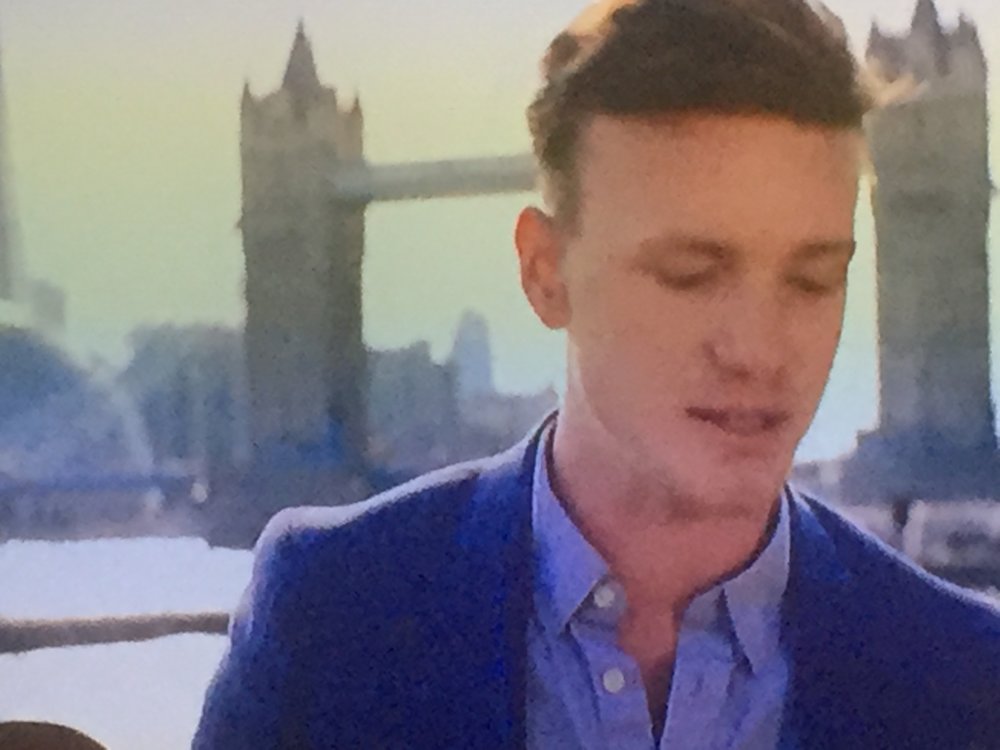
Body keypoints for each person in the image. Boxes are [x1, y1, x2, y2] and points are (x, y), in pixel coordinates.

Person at [194, 0, 1000, 747]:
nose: (758, 348)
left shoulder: (966, 680)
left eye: (813, 280)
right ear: (545, 272)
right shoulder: (330, 616)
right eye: (690, 274)